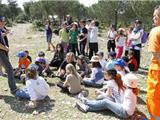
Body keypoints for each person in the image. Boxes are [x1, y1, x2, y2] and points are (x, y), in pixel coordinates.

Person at [147, 5, 160, 120]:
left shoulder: (156, 31)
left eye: (155, 17)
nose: (153, 19)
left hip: (157, 72)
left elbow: (156, 54)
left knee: (154, 102)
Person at [0, 16, 18, 94]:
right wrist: (5, 48)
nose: (4, 22)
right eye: (2, 21)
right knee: (10, 69)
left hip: (3, 51)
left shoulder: (2, 28)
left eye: (4, 21)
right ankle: (13, 89)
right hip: (1, 52)